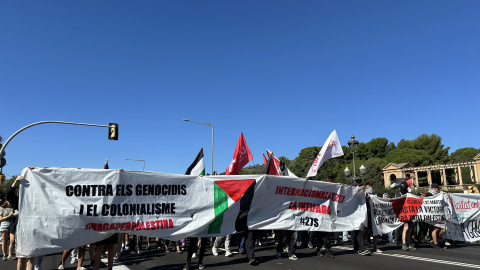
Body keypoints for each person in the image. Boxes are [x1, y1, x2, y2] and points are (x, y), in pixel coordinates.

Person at [399, 180, 415, 251]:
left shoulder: (409, 194)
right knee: (406, 228)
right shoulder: (398, 195)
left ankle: (408, 243)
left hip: (409, 213)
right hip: (403, 214)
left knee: (409, 229)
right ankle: (404, 243)